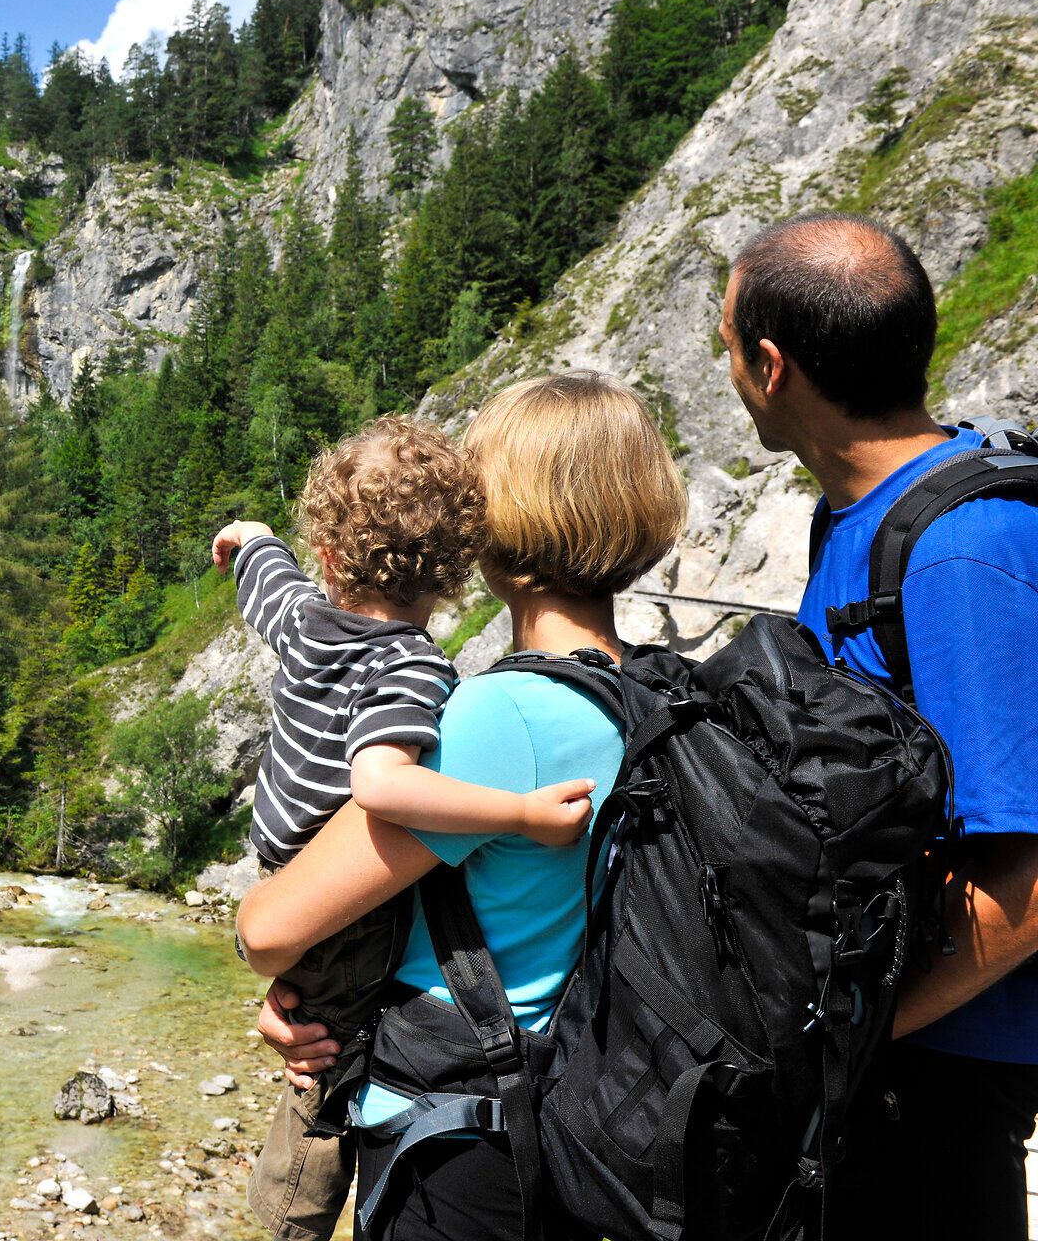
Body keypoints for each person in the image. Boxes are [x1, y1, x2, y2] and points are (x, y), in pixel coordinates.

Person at [241, 372, 687, 1240]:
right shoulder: (650, 689)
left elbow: (267, 929)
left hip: (454, 1136)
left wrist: (302, 993)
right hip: (574, 1099)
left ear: (496, 525)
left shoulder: (493, 717)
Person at [716, 211, 1038, 1240]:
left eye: (726, 348)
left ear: (772, 367)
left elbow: (1026, 890)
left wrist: (846, 1040)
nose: (728, 371)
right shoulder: (862, 519)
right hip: (886, 1072)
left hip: (935, 1090)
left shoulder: (960, 552)